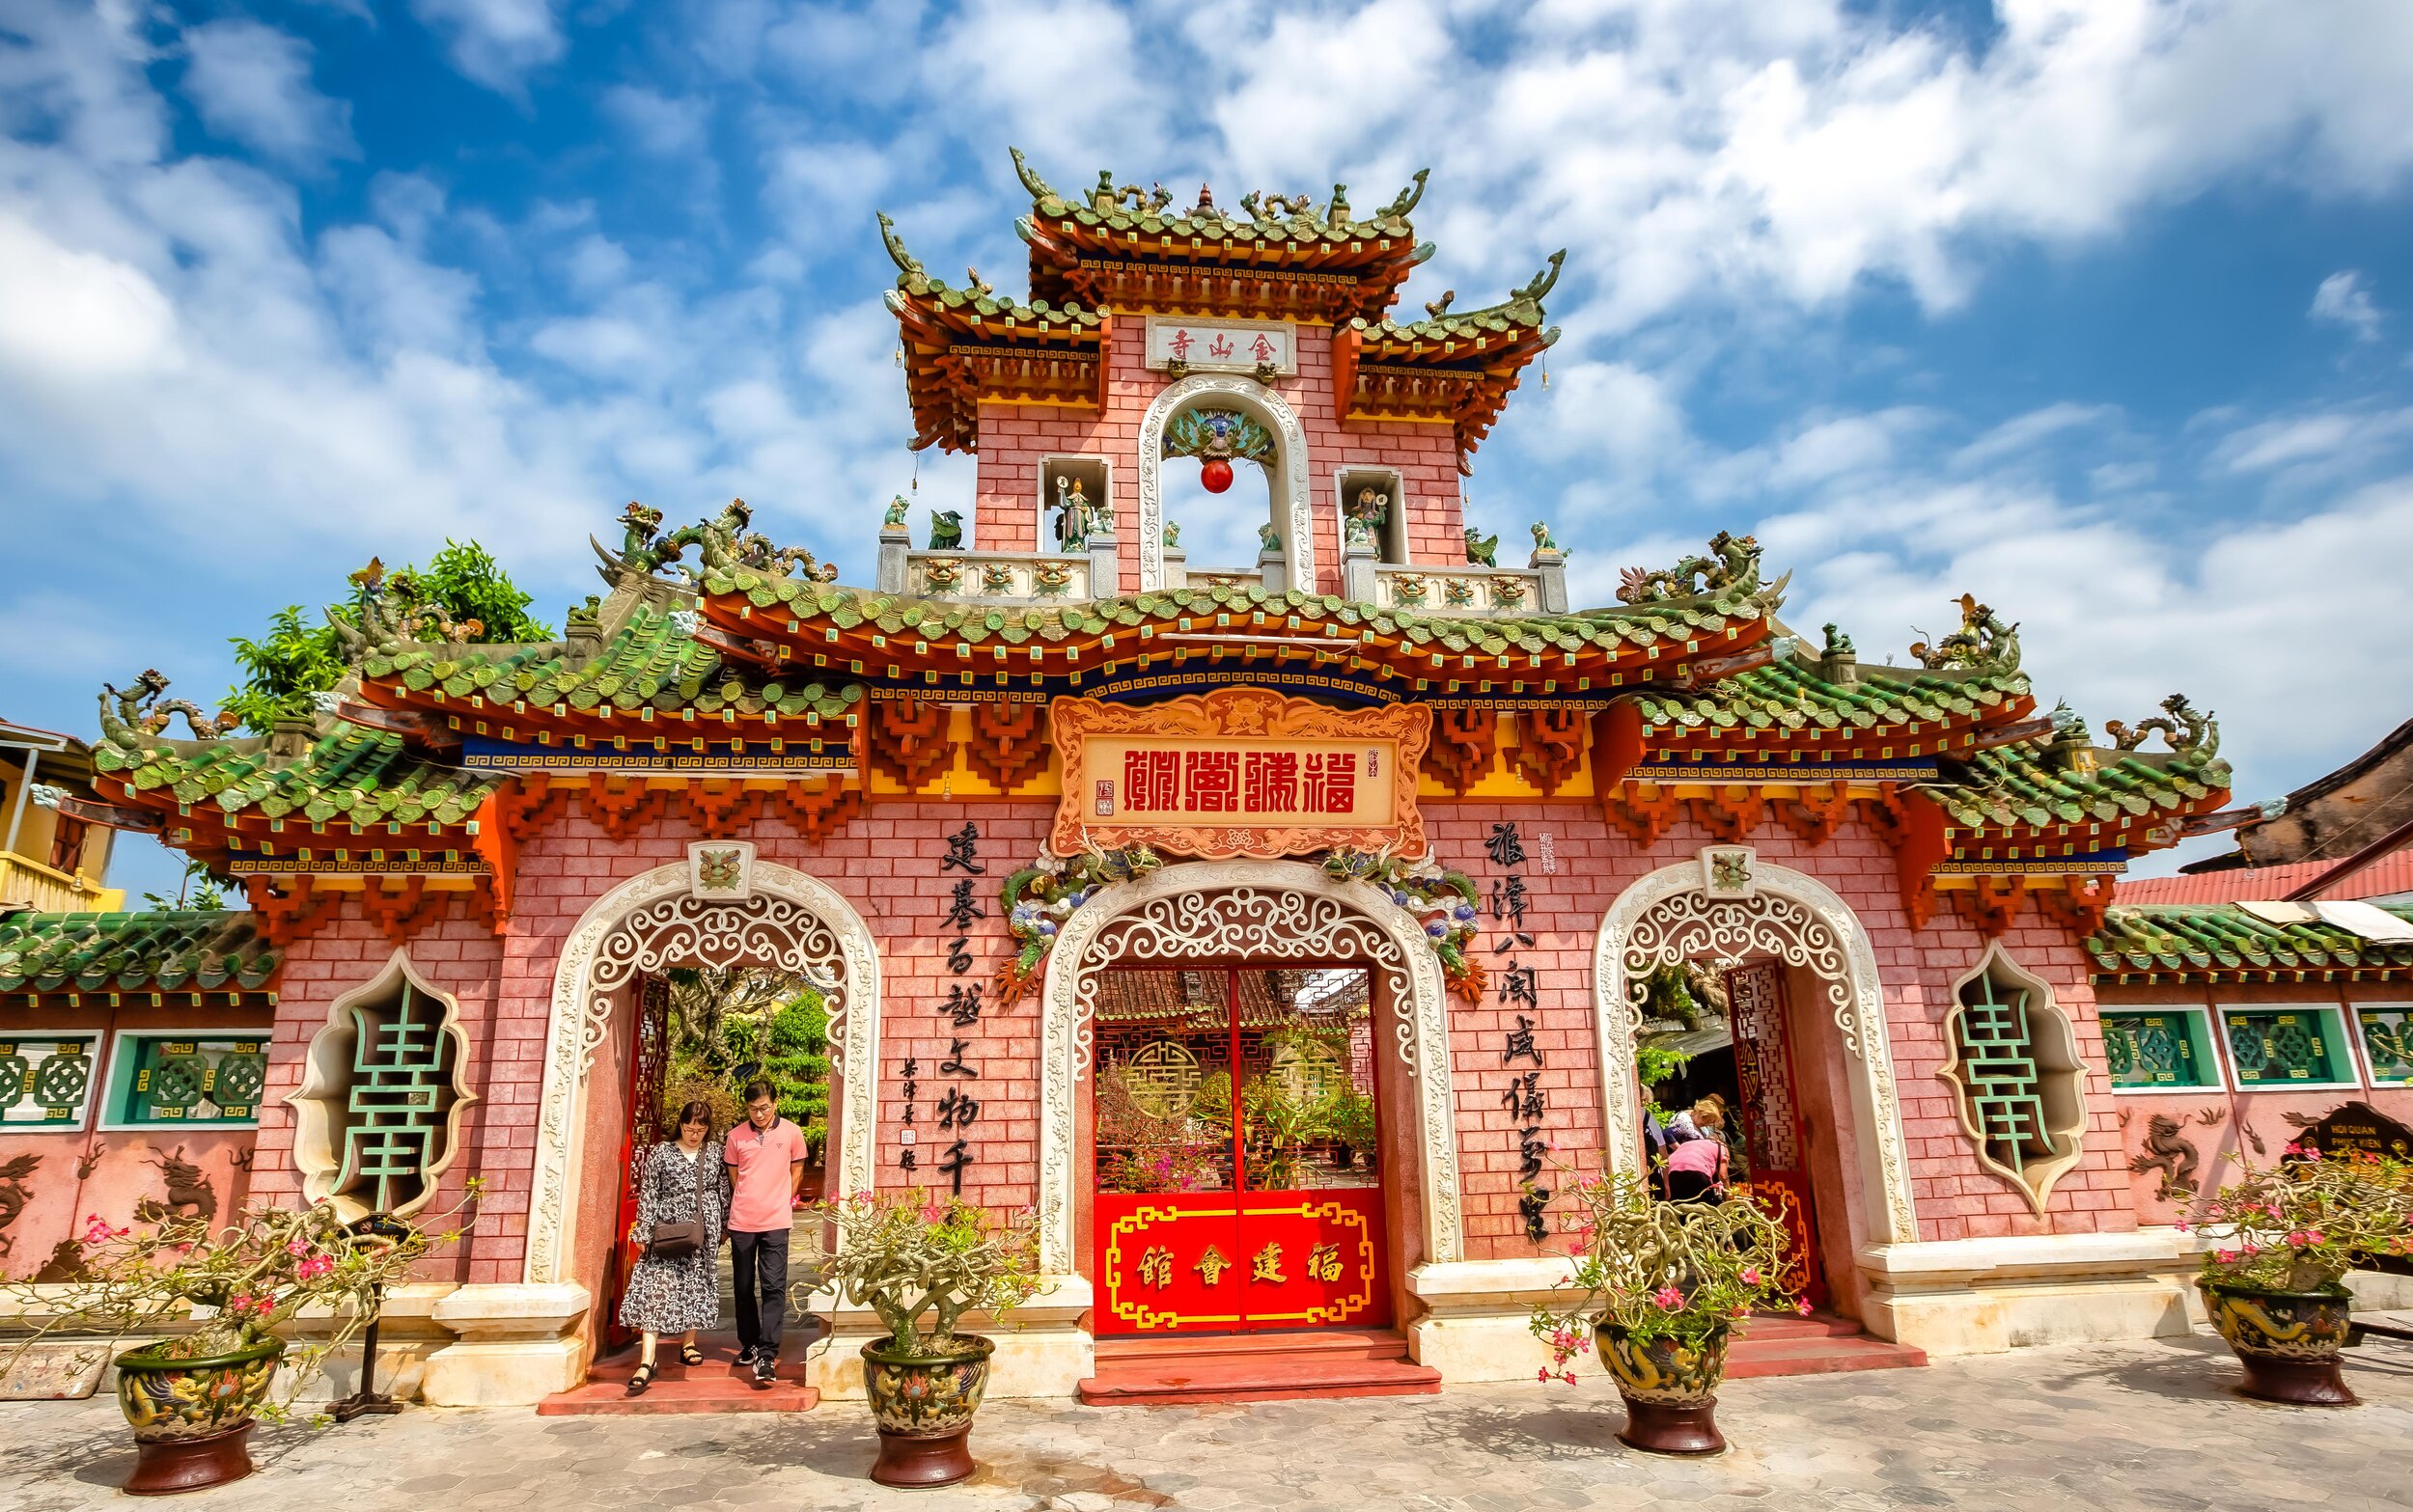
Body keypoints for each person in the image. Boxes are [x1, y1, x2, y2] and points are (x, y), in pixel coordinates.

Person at [620, 1100, 731, 1396]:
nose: (694, 1134)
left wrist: (725, 1226)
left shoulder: (715, 1152)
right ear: (680, 1124)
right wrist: (643, 1230)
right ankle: (647, 1360)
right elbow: (649, 1192)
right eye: (689, 1127)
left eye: (700, 1129)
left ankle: (689, 1342)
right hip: (666, 1227)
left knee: (696, 1283)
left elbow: (723, 1191)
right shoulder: (662, 1152)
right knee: (656, 1286)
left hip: (703, 1228)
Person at [725, 1078, 809, 1388]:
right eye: (752, 1109)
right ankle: (749, 1343)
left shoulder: (792, 1132)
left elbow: (797, 1170)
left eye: (764, 1108)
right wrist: (751, 1198)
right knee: (743, 1286)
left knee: (774, 1286)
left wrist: (783, 1200)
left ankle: (767, 1353)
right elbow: (734, 1175)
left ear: (775, 1103)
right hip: (742, 1222)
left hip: (776, 1221)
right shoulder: (735, 1136)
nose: (759, 1114)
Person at [1660, 1101, 1730, 1201]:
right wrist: (1681, 1149)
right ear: (1701, 1114)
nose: (1706, 1124)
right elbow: (1666, 1134)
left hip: (1690, 1167)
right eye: (1706, 1120)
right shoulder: (1684, 1122)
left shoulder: (1701, 1127)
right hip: (1685, 1167)